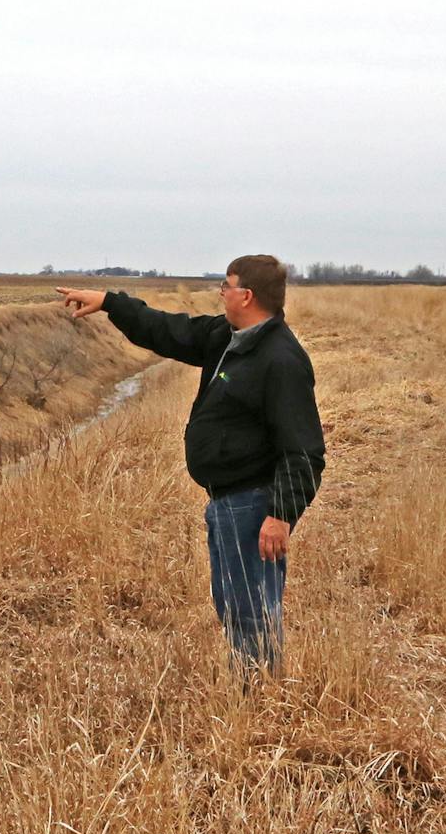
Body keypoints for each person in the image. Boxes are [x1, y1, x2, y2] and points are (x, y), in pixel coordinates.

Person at [56, 256, 325, 678]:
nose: (221, 292)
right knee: (234, 605)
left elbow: (303, 450)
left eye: (226, 285)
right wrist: (110, 302)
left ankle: (259, 704)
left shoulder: (280, 359)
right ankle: (251, 694)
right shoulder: (228, 336)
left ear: (246, 295)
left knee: (251, 610)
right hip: (226, 502)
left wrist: (281, 514)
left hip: (253, 505)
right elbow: (169, 330)